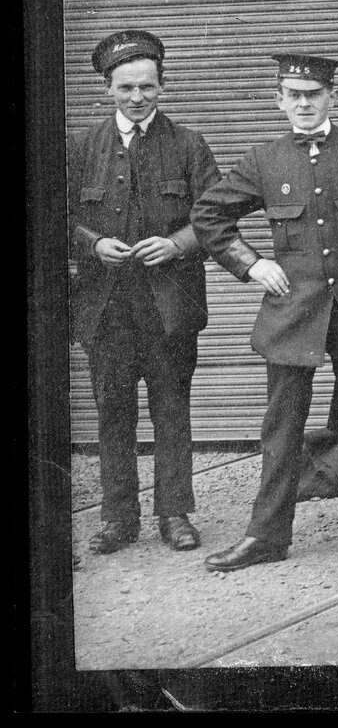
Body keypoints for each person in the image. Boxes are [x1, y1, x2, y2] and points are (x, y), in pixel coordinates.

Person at [194, 53, 338, 574]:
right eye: (293, 95)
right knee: (282, 425)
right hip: (292, 309)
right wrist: (251, 264)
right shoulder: (263, 159)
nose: (304, 104)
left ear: (332, 98)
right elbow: (208, 214)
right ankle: (265, 535)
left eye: (314, 95)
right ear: (279, 100)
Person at [67, 30, 220, 555]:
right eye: (126, 87)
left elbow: (216, 219)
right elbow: (53, 218)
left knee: (172, 409)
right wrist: (92, 244)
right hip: (103, 308)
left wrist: (178, 244)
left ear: (162, 86)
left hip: (168, 306)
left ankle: (175, 514)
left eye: (148, 87)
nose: (137, 98)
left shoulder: (189, 145)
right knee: (112, 412)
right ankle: (117, 518)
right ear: (107, 88)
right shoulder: (80, 147)